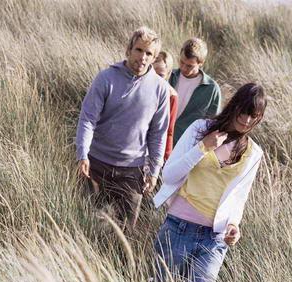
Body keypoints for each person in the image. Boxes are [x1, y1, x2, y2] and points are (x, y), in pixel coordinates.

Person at [153, 83, 267, 282]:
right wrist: (202, 148)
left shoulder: (254, 153)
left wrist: (234, 225)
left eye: (254, 117)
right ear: (234, 106)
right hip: (178, 228)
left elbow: (239, 198)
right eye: (244, 112)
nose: (246, 121)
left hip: (214, 239)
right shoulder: (200, 129)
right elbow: (169, 175)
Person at [75, 26, 170, 230]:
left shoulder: (160, 89)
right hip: (96, 165)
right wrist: (82, 155)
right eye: (139, 50)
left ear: (154, 58)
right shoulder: (105, 78)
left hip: (132, 171)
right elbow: (87, 119)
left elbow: (158, 134)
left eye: (149, 53)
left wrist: (154, 172)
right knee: (86, 225)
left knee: (124, 233)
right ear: (129, 49)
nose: (143, 57)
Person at [169, 38, 221, 146]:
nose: (183, 68)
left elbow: (212, 125)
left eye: (189, 66)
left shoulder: (212, 89)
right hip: (161, 140)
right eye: (181, 62)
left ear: (201, 63)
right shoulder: (168, 76)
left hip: (186, 146)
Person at [152, 51, 178, 161]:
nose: (157, 79)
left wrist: (166, 158)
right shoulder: (138, 88)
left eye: (161, 75)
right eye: (153, 74)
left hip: (155, 150)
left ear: (168, 74)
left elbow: (169, 131)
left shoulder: (171, 96)